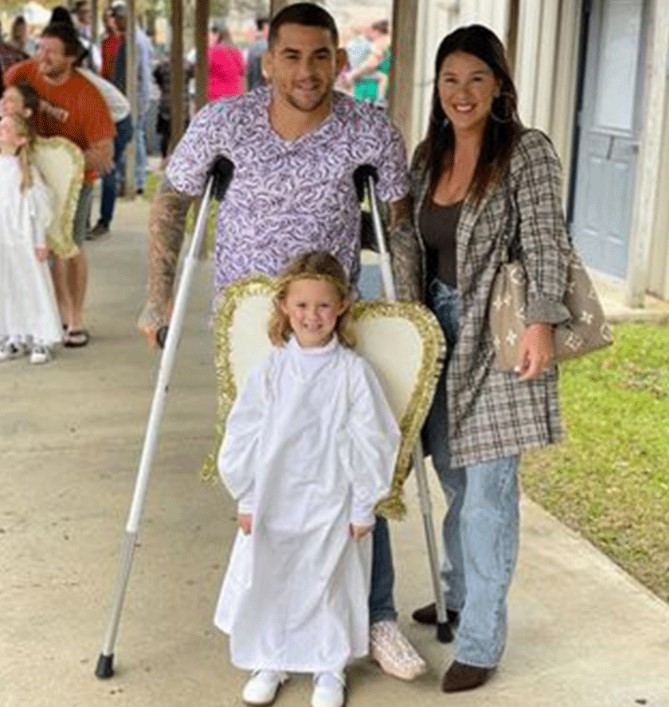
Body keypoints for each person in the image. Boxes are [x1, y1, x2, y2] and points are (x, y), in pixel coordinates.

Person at [138, 2, 426, 682]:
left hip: (330, 325)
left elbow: (398, 223)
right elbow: (172, 200)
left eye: (320, 55)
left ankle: (375, 613)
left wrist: (408, 313)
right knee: (267, 470)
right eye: (291, 55)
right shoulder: (225, 121)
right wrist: (158, 295)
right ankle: (270, 623)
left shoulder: (368, 128)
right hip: (248, 329)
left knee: (353, 458)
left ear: (338, 59)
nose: (306, 70)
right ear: (267, 62)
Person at [390, 25, 572, 692]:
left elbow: (547, 238)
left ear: (498, 84)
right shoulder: (426, 155)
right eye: (450, 79)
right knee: (455, 478)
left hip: (499, 328)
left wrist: (540, 322)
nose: (461, 92)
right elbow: (409, 242)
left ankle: (480, 640)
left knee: (488, 493)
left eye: (475, 78)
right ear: (436, 87)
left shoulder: (525, 151)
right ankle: (459, 593)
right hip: (437, 331)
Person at [216, 251, 399, 707]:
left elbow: (374, 439)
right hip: (275, 494)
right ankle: (270, 658)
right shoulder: (272, 370)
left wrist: (363, 504)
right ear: (284, 306)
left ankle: (328, 666)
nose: (311, 316)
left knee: (328, 579)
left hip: (332, 495)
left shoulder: (353, 373)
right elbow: (245, 432)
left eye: (322, 305)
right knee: (273, 575)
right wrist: (247, 497)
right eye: (301, 305)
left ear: (342, 306)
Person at [5, 21, 115, 347]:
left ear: (71, 57)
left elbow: (104, 154)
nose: (42, 56)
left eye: (51, 52)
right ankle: (53, 315)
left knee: (69, 245)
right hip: (29, 177)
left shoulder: (88, 96)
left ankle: (75, 318)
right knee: (39, 248)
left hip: (74, 182)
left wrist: (64, 162)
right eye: (40, 48)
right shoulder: (23, 73)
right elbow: (8, 100)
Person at [0, 114, 61, 365]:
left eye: (6, 128)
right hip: (3, 238)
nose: (1, 131)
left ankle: (42, 336)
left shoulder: (27, 172)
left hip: (23, 237)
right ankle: (14, 334)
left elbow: (37, 210)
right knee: (7, 285)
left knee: (33, 283)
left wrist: (40, 241)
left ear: (21, 139)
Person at [78, 63, 133, 238]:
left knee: (106, 169)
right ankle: (83, 222)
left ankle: (103, 223)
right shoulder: (75, 77)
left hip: (118, 122)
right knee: (86, 168)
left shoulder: (80, 82)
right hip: (111, 118)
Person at [110, 1, 153, 194]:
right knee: (135, 135)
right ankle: (134, 177)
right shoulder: (132, 38)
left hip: (133, 97)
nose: (114, 23)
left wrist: (133, 100)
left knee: (134, 136)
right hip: (130, 96)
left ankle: (137, 178)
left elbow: (136, 73)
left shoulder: (135, 40)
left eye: (117, 18)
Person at [343, 20, 391, 105]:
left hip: (370, 86)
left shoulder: (379, 43)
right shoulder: (391, 42)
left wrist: (352, 75)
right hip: (386, 87)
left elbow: (371, 63)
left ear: (376, 31)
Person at [207, 23, 245, 101]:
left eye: (212, 34)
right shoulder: (236, 50)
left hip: (217, 96)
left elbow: (203, 69)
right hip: (236, 95)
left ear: (218, 35)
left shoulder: (213, 51)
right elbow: (243, 70)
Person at [0, 20, 29, 94]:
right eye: (18, 29)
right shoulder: (10, 48)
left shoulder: (15, 51)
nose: (20, 32)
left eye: (22, 29)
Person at [245, 16, 269, 91]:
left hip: (253, 90)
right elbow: (266, 74)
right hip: (263, 90)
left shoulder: (253, 46)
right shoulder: (265, 46)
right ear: (265, 27)